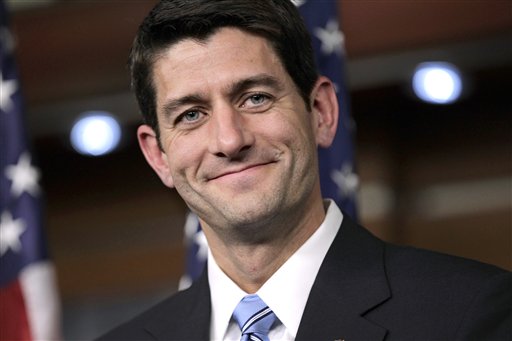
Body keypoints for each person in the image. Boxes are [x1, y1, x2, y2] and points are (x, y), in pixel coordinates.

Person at [98, 0, 511, 340]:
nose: (228, 140)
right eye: (191, 114)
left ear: (321, 113)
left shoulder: (469, 314)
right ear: (158, 157)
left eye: (255, 98)